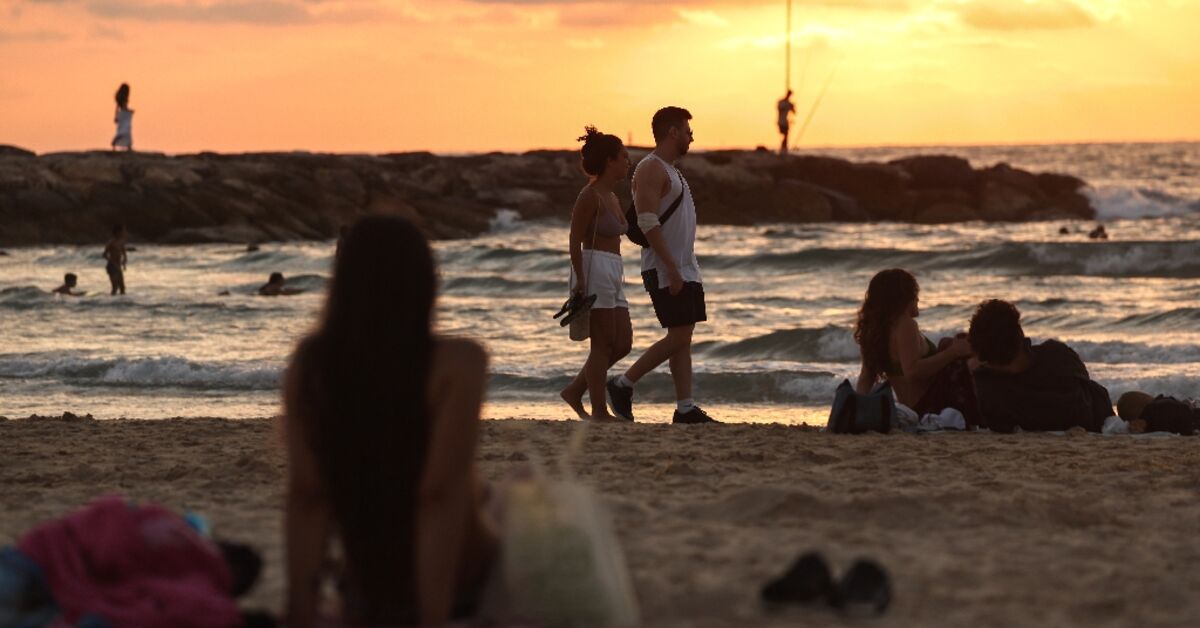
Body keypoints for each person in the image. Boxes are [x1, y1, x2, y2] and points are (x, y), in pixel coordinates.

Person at [282, 215, 497, 627]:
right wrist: (432, 619)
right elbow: (438, 494)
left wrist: (300, 613)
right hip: (463, 582)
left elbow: (308, 495)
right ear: (426, 281)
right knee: (506, 497)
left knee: (488, 493)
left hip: (368, 588)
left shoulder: (311, 363)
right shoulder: (459, 363)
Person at [606, 106, 717, 425]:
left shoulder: (672, 171)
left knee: (683, 336)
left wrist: (682, 267)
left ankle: (685, 408)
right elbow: (646, 220)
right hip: (666, 267)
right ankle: (622, 384)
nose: (691, 137)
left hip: (683, 266)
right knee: (679, 337)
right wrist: (671, 267)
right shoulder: (650, 168)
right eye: (687, 131)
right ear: (672, 132)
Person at [558, 127, 633, 421]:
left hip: (614, 268)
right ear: (609, 161)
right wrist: (580, 279)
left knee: (623, 343)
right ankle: (600, 410)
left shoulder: (612, 196)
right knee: (602, 344)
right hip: (594, 266)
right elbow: (574, 239)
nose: (628, 162)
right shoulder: (589, 196)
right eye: (623, 157)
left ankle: (575, 390)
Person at [854, 269, 981, 425]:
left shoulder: (874, 330)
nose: (918, 298)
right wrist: (953, 353)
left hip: (913, 408)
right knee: (954, 350)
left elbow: (866, 377)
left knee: (946, 343)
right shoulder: (905, 324)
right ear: (903, 298)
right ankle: (984, 413)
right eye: (914, 293)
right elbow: (912, 371)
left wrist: (857, 408)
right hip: (928, 406)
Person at [968, 299, 1113, 432]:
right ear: (1020, 333)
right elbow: (1085, 383)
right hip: (1096, 418)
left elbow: (998, 422)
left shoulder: (991, 389)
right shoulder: (1058, 354)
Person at [103, 224, 127, 295]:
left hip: (118, 266)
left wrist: (124, 261)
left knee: (122, 288)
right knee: (115, 287)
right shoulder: (111, 242)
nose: (123, 233)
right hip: (112, 267)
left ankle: (121, 301)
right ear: (117, 232)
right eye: (122, 231)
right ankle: (111, 301)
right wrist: (112, 262)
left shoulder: (121, 242)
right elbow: (104, 255)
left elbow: (124, 253)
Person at [112, 83, 134, 152]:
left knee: (123, 130)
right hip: (125, 115)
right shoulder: (124, 98)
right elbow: (125, 107)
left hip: (121, 114)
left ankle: (128, 145)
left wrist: (116, 116)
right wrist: (130, 111)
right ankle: (127, 145)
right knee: (126, 130)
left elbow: (117, 107)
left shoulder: (119, 98)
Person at [777, 90, 796, 155]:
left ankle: (784, 148)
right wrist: (789, 106)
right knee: (784, 135)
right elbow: (780, 109)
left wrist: (793, 106)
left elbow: (794, 112)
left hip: (785, 122)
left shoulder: (789, 103)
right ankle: (783, 148)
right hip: (781, 121)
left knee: (786, 135)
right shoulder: (782, 102)